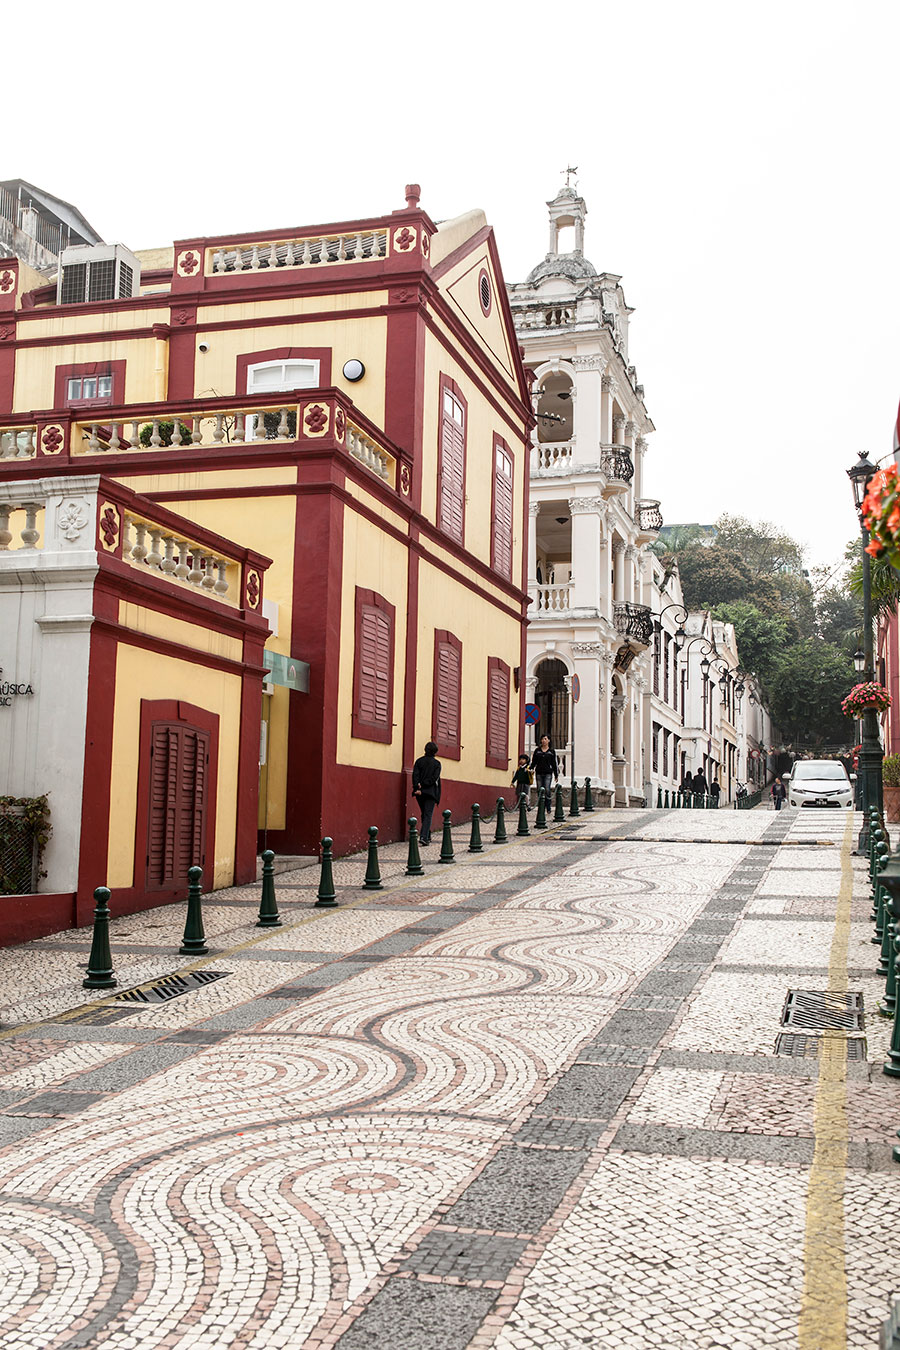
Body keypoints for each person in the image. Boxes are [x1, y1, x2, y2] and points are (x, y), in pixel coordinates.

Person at [412, 741, 442, 843]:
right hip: (430, 792)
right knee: (428, 814)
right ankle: (424, 837)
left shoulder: (419, 761)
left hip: (419, 792)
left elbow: (415, 775)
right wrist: (424, 784)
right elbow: (434, 778)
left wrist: (418, 785)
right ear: (435, 752)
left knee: (424, 813)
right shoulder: (437, 764)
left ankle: (427, 835)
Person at [530, 735, 560, 805]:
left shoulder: (551, 751)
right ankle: (541, 805)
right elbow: (534, 761)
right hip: (539, 772)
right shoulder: (537, 751)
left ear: (548, 740)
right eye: (542, 739)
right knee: (539, 789)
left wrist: (556, 774)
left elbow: (554, 763)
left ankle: (548, 804)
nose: (544, 740)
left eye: (545, 739)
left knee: (547, 789)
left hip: (548, 773)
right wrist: (531, 768)